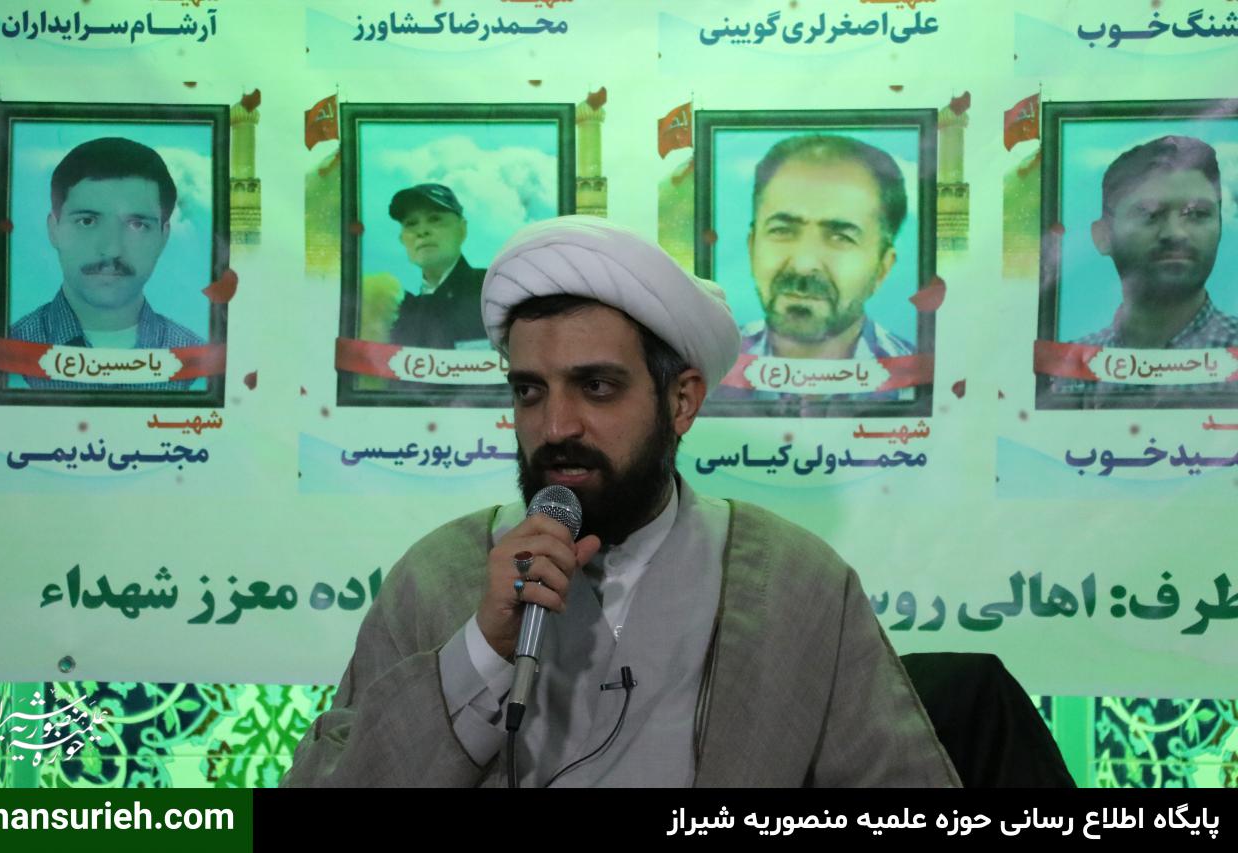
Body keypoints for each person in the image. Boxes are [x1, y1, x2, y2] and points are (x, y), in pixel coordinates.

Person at [283, 216, 958, 788]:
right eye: (529, 391)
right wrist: (481, 652)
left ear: (682, 400)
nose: (555, 427)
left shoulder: (798, 583)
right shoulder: (436, 577)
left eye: (597, 387)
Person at [9, 136, 202, 390]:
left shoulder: (198, 363)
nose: (111, 249)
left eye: (137, 225)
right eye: (87, 221)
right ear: (53, 229)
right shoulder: (8, 353)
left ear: (163, 236)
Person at [1053, 136, 1238, 400]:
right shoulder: (1067, 370)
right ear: (1102, 236)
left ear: (1220, 227)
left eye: (1197, 214)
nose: (1175, 233)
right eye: (1149, 214)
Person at [742, 134, 915, 363]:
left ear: (882, 268)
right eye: (782, 230)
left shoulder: (920, 375)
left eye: (841, 238)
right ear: (752, 246)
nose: (803, 265)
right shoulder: (708, 363)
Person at [387, 183, 488, 350]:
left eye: (435, 219)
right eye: (411, 223)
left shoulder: (495, 289)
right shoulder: (398, 315)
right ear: (402, 239)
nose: (422, 231)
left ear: (462, 230)